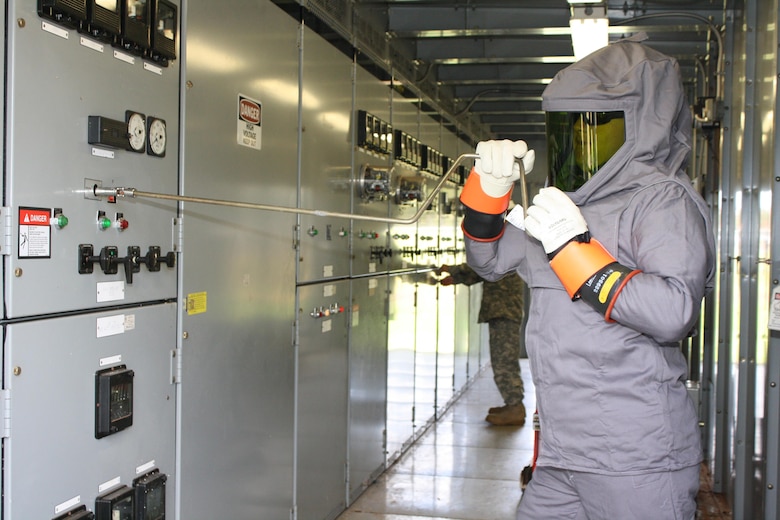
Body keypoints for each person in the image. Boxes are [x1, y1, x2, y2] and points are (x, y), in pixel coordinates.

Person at [457, 34, 716, 520]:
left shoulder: (662, 201)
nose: (579, 143)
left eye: (594, 127)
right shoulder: (563, 204)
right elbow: (488, 262)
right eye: (569, 128)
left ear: (640, 126)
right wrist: (487, 198)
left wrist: (576, 253)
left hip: (637, 457)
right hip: (562, 451)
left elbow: (673, 311)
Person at [434, 263, 526, 426]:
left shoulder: (504, 254)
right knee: (502, 360)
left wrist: (452, 270)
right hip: (503, 311)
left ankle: (515, 407)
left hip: (505, 312)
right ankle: (512, 404)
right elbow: (481, 272)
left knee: (504, 362)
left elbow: (483, 267)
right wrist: (455, 278)